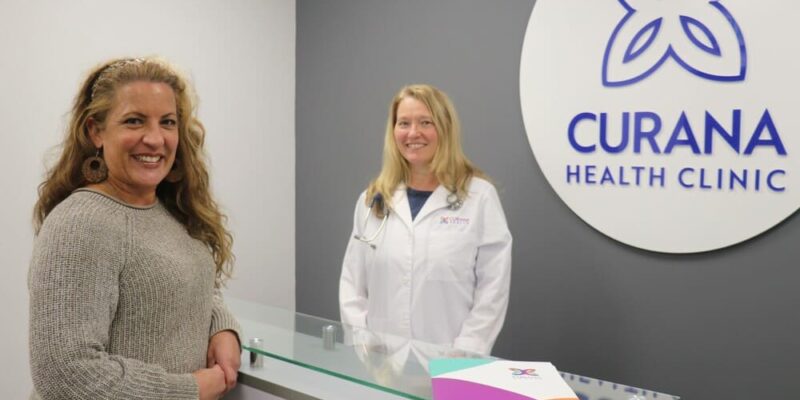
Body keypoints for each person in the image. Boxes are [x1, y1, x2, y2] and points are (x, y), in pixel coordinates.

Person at [29, 57, 241, 400]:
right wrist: (191, 389)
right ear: (95, 131)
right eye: (134, 121)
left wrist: (222, 328)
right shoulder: (80, 223)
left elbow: (182, 289)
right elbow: (66, 373)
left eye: (167, 122)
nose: (155, 139)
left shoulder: (169, 210)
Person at [339, 84, 512, 356]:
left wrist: (466, 350)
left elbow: (493, 290)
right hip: (381, 362)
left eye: (425, 122)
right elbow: (352, 285)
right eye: (403, 123)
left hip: (451, 360)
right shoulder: (373, 199)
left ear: (444, 128)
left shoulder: (479, 197)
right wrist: (363, 342)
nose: (412, 133)